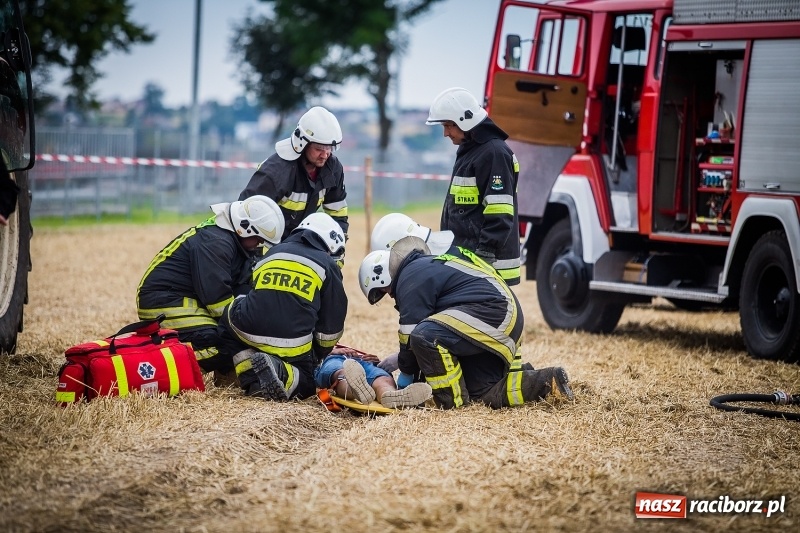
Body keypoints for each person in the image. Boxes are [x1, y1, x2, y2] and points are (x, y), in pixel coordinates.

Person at [357, 236, 573, 410]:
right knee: (483, 391)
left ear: (383, 278)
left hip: (494, 314)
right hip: (501, 319)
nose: (389, 296)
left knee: (423, 335)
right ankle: (547, 382)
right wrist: (403, 360)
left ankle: (450, 401)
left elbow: (413, 335)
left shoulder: (410, 276)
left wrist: (405, 374)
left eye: (382, 291)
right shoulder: (426, 268)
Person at [137, 195, 284, 375]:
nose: (260, 243)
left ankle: (228, 374)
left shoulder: (230, 241)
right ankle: (161, 368)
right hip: (163, 303)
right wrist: (250, 329)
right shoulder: (216, 243)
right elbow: (218, 303)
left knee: (231, 335)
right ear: (243, 229)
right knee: (223, 342)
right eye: (258, 238)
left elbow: (241, 288)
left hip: (182, 299)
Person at [218, 212, 348, 400]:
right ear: (331, 244)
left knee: (227, 319)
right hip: (294, 345)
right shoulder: (327, 264)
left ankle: (249, 375)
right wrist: (317, 354)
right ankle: (281, 372)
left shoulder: (271, 253)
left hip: (247, 331)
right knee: (308, 382)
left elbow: (255, 292)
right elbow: (331, 327)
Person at [426, 87, 521, 286]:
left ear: (464, 120)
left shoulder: (494, 154)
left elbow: (500, 210)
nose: (445, 133)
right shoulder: (472, 151)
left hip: (488, 265)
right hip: (470, 262)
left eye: (448, 125)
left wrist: (485, 254)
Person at [239, 106, 349, 240]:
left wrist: (336, 247)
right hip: (269, 245)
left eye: (329, 148)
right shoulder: (276, 172)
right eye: (319, 148)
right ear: (302, 143)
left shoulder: (333, 168)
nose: (325, 155)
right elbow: (246, 216)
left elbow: (338, 214)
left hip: (301, 242)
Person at [314, 347, 432, 409]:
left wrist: (375, 360)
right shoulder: (318, 342)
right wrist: (330, 351)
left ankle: (390, 396)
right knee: (342, 373)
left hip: (363, 361)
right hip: (332, 359)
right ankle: (355, 390)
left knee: (382, 378)